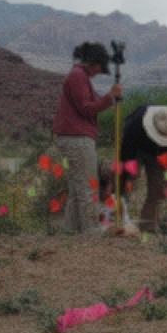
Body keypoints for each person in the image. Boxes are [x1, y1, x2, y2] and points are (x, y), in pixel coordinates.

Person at [53, 41, 122, 233]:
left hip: (73, 137)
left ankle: (70, 229)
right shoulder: (78, 77)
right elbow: (86, 109)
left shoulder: (79, 76)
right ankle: (91, 230)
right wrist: (109, 97)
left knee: (77, 189)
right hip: (78, 138)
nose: (100, 71)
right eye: (101, 67)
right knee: (87, 186)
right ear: (94, 62)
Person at [120, 105, 167, 233]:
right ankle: (106, 176)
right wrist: (123, 181)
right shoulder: (135, 124)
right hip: (136, 148)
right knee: (132, 173)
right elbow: (126, 154)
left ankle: (148, 228)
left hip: (161, 155)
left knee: (159, 189)